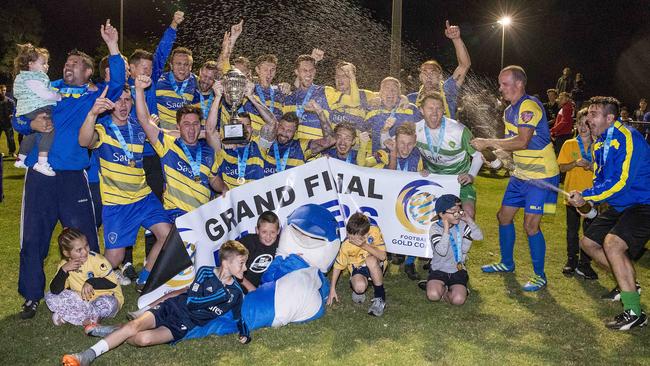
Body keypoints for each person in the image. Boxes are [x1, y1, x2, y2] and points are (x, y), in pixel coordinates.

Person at [14, 20, 125, 320]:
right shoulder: (47, 89)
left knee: (85, 237)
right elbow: (17, 117)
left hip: (75, 178)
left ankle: (90, 287)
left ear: (88, 72)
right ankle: (32, 296)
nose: (68, 66)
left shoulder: (92, 97)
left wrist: (113, 46)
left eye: (75, 64)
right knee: (34, 237)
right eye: (66, 62)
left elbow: (116, 85)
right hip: (41, 175)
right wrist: (29, 124)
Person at [61, 241, 251, 366]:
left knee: (142, 339)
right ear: (226, 263)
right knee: (136, 325)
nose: (246, 267)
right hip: (174, 307)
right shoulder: (205, 272)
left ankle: (114, 330)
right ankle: (86, 356)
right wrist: (218, 296)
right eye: (242, 263)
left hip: (184, 324)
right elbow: (192, 302)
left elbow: (238, 316)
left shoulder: (235, 293)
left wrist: (244, 333)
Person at [471, 65, 560, 292]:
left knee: (531, 226)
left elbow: (522, 141)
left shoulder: (528, 105)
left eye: (505, 84)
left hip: (542, 176)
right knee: (503, 216)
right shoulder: (508, 111)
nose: (501, 88)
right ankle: (507, 263)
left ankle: (540, 275)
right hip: (522, 175)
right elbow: (511, 145)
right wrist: (496, 155)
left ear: (519, 84)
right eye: (501, 84)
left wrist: (489, 142)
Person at [567, 96, 650, 331]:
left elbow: (621, 182)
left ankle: (634, 312)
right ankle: (629, 284)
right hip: (622, 205)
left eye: (593, 114)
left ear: (610, 118)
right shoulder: (599, 143)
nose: (587, 118)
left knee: (612, 244)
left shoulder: (627, 137)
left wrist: (588, 195)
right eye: (588, 114)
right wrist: (588, 206)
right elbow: (600, 180)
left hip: (644, 202)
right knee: (588, 242)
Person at [78, 85, 171, 291]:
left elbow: (168, 134)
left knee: (168, 235)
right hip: (118, 204)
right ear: (110, 104)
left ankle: (145, 278)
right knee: (114, 259)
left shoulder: (138, 126)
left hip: (144, 197)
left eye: (127, 100)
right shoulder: (103, 129)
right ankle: (82, 280)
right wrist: (93, 113)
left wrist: (202, 132)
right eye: (118, 100)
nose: (123, 104)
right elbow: (84, 140)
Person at [134, 75, 222, 220]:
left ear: (200, 127)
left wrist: (224, 189)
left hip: (203, 217)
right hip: (176, 216)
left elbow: (213, 179)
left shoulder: (208, 151)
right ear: (178, 127)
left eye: (195, 124)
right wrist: (139, 90)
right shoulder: (167, 144)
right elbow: (144, 120)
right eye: (186, 124)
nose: (192, 129)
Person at [415, 93, 483, 219]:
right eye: (430, 108)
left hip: (459, 181)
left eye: (439, 109)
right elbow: (401, 148)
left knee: (468, 215)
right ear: (421, 110)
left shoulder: (459, 130)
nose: (434, 113)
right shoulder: (415, 130)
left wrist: (471, 175)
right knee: (425, 216)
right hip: (433, 180)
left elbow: (478, 155)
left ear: (444, 111)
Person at [45, 228, 123, 326]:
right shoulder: (64, 265)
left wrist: (91, 282)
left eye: (86, 246)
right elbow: (55, 290)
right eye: (79, 250)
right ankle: (87, 320)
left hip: (106, 298)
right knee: (50, 296)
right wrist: (63, 270)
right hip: (83, 302)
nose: (85, 252)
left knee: (106, 303)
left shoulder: (97, 259)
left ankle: (74, 316)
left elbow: (112, 282)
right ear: (66, 253)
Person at [417, 194, 483, 305]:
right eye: (453, 211)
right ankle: (439, 286)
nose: (458, 215)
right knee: (433, 295)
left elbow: (479, 237)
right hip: (439, 269)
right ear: (442, 214)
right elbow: (442, 251)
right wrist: (446, 228)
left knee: (458, 300)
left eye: (459, 210)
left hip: (457, 269)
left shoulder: (462, 225)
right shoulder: (435, 228)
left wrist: (469, 220)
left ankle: (448, 290)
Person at [557, 109, 597, 279]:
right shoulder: (570, 144)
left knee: (590, 232)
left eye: (586, 125)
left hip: (593, 197)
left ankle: (585, 264)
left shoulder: (600, 145)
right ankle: (571, 260)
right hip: (572, 196)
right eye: (580, 124)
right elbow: (561, 167)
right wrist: (574, 163)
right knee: (572, 230)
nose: (583, 128)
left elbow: (607, 171)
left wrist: (591, 166)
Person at [12, 43, 61, 175]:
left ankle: (20, 158)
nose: (47, 66)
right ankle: (42, 163)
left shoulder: (26, 77)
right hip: (37, 108)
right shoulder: (33, 78)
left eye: (47, 63)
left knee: (31, 134)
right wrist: (58, 96)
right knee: (49, 130)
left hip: (28, 110)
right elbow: (45, 94)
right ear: (31, 64)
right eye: (43, 63)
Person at [407, 20, 471, 119]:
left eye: (432, 73)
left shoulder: (448, 90)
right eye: (425, 73)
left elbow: (464, 65)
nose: (428, 76)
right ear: (420, 77)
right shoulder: (411, 99)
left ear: (440, 76)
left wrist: (456, 39)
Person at [327, 212, 387, 317]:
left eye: (354, 238)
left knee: (371, 261)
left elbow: (382, 256)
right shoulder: (346, 245)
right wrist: (332, 289)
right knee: (359, 287)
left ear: (365, 235)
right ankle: (359, 285)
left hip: (376, 263)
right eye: (348, 235)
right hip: (358, 267)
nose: (350, 239)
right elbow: (338, 266)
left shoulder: (374, 231)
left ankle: (380, 298)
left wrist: (364, 245)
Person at [263, 107, 335, 176]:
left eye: (289, 131)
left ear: (295, 132)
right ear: (277, 126)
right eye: (282, 128)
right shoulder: (266, 143)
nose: (284, 133)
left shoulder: (301, 146)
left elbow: (330, 141)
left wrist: (319, 111)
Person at [365, 77, 420, 153]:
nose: (390, 92)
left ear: (399, 93)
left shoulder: (411, 109)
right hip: (379, 159)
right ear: (380, 92)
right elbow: (362, 130)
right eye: (386, 88)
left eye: (394, 89)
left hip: (406, 157)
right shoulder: (372, 110)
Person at [155, 46, 198, 130]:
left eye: (186, 64)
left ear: (191, 67)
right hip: (163, 130)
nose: (182, 67)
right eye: (178, 64)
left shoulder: (196, 81)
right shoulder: (159, 80)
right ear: (171, 65)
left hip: (185, 129)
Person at [239, 211, 281, 292]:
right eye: (264, 232)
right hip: (243, 290)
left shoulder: (282, 242)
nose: (268, 236)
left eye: (272, 232)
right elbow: (233, 268)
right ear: (257, 230)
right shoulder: (247, 242)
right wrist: (252, 289)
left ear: (278, 231)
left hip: (268, 289)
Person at [550, 92, 575, 156]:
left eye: (562, 98)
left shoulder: (567, 107)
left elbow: (564, 122)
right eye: (559, 98)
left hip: (563, 135)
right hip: (563, 134)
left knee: (562, 154)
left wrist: (552, 130)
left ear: (567, 99)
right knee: (566, 153)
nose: (559, 100)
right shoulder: (566, 107)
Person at [0, 85, 17, 158]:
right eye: (2, 90)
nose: (3, 92)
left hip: (7, 123)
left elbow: (14, 112)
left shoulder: (10, 101)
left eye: (4, 90)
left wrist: (11, 115)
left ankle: (12, 152)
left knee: (10, 139)